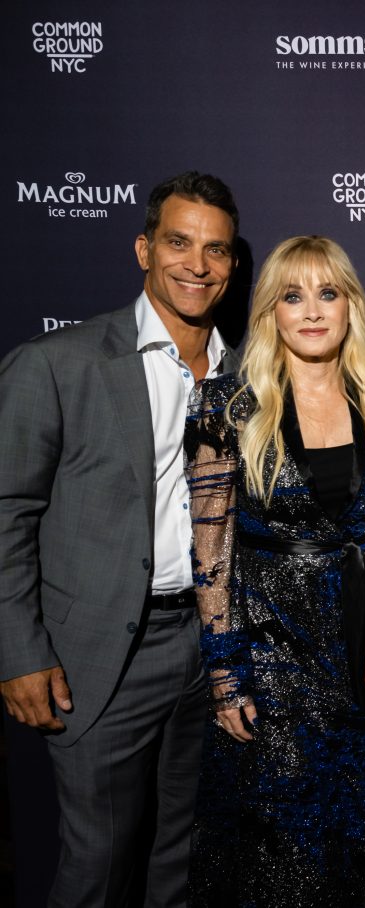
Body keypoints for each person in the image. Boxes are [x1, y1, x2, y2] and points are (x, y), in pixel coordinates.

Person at [0, 172, 239, 907]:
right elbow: (6, 511)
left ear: (233, 265)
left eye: (216, 250)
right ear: (143, 248)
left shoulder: (248, 374)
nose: (197, 264)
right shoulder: (58, 363)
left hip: (208, 653)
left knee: (184, 863)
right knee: (97, 868)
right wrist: (19, 650)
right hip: (99, 653)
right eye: (178, 242)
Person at [185, 235, 365, 906]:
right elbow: (211, 549)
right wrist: (224, 672)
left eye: (329, 293)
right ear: (271, 310)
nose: (313, 311)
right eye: (293, 296)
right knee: (283, 861)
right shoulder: (227, 404)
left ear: (351, 306)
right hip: (272, 663)